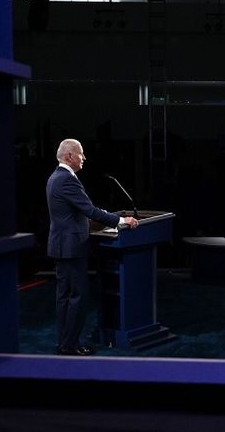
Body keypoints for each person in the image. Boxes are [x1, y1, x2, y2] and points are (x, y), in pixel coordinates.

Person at [46, 138, 139, 356]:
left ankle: (65, 342)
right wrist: (121, 221)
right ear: (69, 156)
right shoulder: (67, 180)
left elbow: (75, 213)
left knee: (65, 297)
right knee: (77, 297)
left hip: (62, 245)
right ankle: (70, 345)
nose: (84, 158)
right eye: (81, 154)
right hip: (71, 247)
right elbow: (90, 210)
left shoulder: (55, 178)